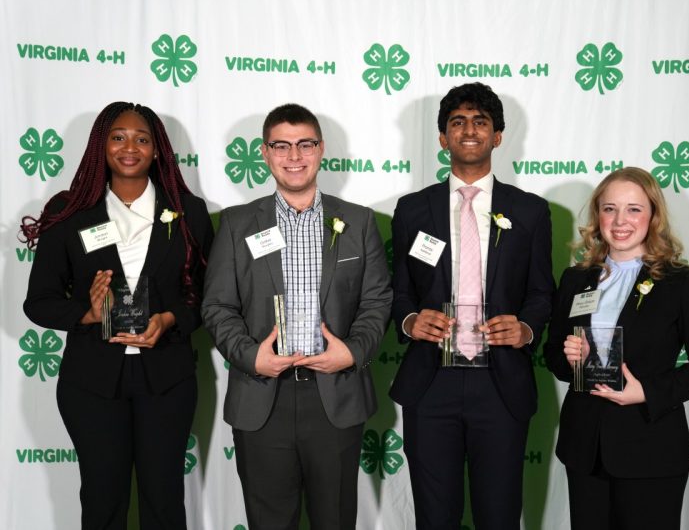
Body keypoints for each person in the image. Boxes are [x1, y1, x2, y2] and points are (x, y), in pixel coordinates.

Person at [21, 102, 214, 529]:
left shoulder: (187, 211)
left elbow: (207, 298)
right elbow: (39, 301)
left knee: (163, 499)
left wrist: (168, 319)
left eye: (142, 139)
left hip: (166, 378)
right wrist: (88, 314)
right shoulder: (69, 211)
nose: (130, 147)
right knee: (102, 499)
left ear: (158, 150)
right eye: (118, 137)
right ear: (100, 145)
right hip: (91, 382)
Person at [201, 103, 391, 529]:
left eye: (305, 144)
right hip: (261, 396)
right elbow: (217, 306)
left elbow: (377, 302)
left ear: (321, 149)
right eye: (281, 146)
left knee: (335, 521)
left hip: (335, 395)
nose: (294, 156)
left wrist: (352, 352)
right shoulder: (235, 225)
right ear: (265, 153)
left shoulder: (358, 222)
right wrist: (252, 357)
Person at [390, 82, 555, 528]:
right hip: (430, 382)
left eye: (480, 122)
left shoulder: (532, 212)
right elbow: (399, 291)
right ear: (442, 137)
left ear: (498, 136)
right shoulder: (411, 210)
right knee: (434, 518)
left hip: (501, 384)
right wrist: (409, 321)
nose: (469, 130)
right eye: (457, 122)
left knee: (499, 516)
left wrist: (526, 329)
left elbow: (543, 294)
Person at [543, 167, 689, 530]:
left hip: (651, 447)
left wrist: (647, 392)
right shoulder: (576, 279)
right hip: (585, 449)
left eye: (634, 209)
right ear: (598, 215)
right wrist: (569, 359)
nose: (620, 220)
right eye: (609, 208)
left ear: (653, 216)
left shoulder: (679, 282)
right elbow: (554, 356)